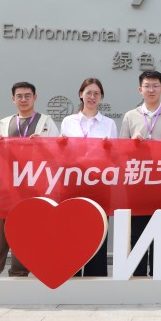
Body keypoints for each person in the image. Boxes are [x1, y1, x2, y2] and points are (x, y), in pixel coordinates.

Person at [0, 82, 60, 278]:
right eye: (19, 96)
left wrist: (44, 145)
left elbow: (58, 153)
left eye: (27, 95)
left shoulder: (46, 122)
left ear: (35, 97)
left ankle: (20, 270)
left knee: (26, 227)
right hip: (7, 184)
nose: (23, 99)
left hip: (34, 185)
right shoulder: (5, 123)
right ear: (13, 99)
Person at [119, 70, 161, 276]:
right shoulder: (130, 116)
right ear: (140, 89)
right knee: (137, 229)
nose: (151, 90)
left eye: (155, 86)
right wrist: (132, 144)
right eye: (147, 86)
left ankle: (158, 272)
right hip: (137, 181)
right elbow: (121, 149)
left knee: (160, 229)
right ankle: (137, 272)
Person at [60, 78, 117, 276]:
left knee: (97, 230)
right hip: (73, 184)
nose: (92, 97)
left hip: (99, 185)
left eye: (96, 93)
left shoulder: (109, 124)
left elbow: (115, 157)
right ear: (80, 94)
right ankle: (71, 273)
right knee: (73, 232)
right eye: (88, 93)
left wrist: (108, 147)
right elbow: (62, 154)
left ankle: (96, 277)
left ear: (101, 97)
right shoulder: (68, 122)